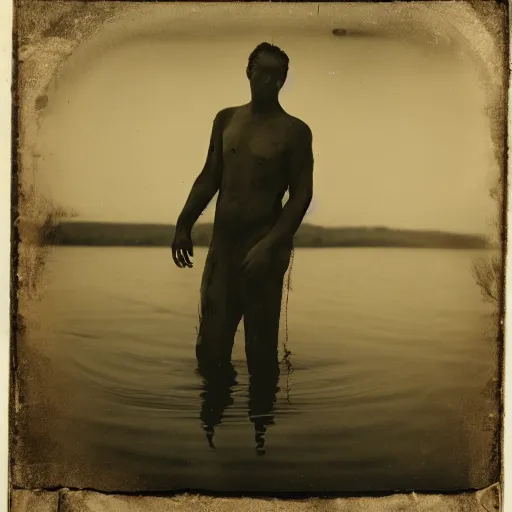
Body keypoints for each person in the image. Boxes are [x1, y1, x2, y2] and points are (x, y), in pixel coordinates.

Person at [172, 42, 314, 447]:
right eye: (263, 72)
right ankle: (209, 431)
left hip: (264, 253)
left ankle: (261, 436)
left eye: (279, 76)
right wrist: (183, 223)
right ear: (248, 72)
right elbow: (209, 177)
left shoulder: (294, 131)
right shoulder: (226, 120)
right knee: (210, 346)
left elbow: (301, 197)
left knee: (260, 351)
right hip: (223, 249)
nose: (270, 82)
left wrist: (271, 245)